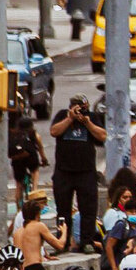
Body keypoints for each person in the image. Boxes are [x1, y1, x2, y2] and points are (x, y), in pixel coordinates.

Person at [51, 96, 106, 249]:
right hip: (64, 171)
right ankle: (63, 242)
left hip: (86, 171)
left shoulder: (91, 118)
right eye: (77, 107)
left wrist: (87, 122)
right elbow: (54, 131)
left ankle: (86, 242)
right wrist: (70, 119)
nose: (79, 111)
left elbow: (102, 135)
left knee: (88, 209)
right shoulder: (63, 115)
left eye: (82, 107)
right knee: (63, 210)